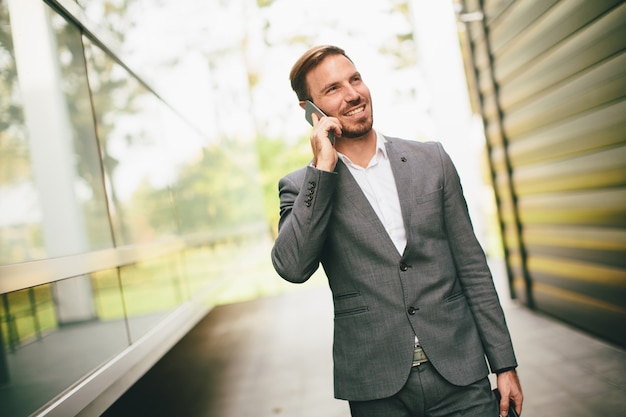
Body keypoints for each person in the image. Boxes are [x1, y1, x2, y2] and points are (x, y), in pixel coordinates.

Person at [271, 45, 523, 417]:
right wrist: (322, 170)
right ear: (310, 110)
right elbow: (292, 267)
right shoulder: (303, 187)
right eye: (333, 89)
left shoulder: (431, 160)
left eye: (355, 79)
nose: (353, 94)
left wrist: (504, 364)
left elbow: (473, 267)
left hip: (461, 375)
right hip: (377, 387)